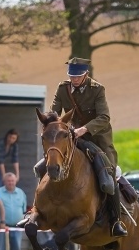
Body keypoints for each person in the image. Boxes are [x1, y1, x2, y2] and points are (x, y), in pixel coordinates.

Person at [43, 57, 127, 237]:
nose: (74, 79)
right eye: (71, 76)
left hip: (97, 140)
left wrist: (83, 129)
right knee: (41, 166)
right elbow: (54, 112)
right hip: (70, 138)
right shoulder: (62, 88)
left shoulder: (97, 90)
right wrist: (51, 123)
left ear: (86, 74)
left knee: (108, 177)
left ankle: (115, 221)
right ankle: (36, 210)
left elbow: (104, 117)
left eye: (78, 76)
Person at [0, 173, 27, 250]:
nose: (11, 183)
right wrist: (0, 222)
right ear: (4, 182)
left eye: (12, 181)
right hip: (2, 226)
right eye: (8, 181)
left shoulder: (21, 193)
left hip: (17, 227)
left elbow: (24, 209)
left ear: (15, 181)